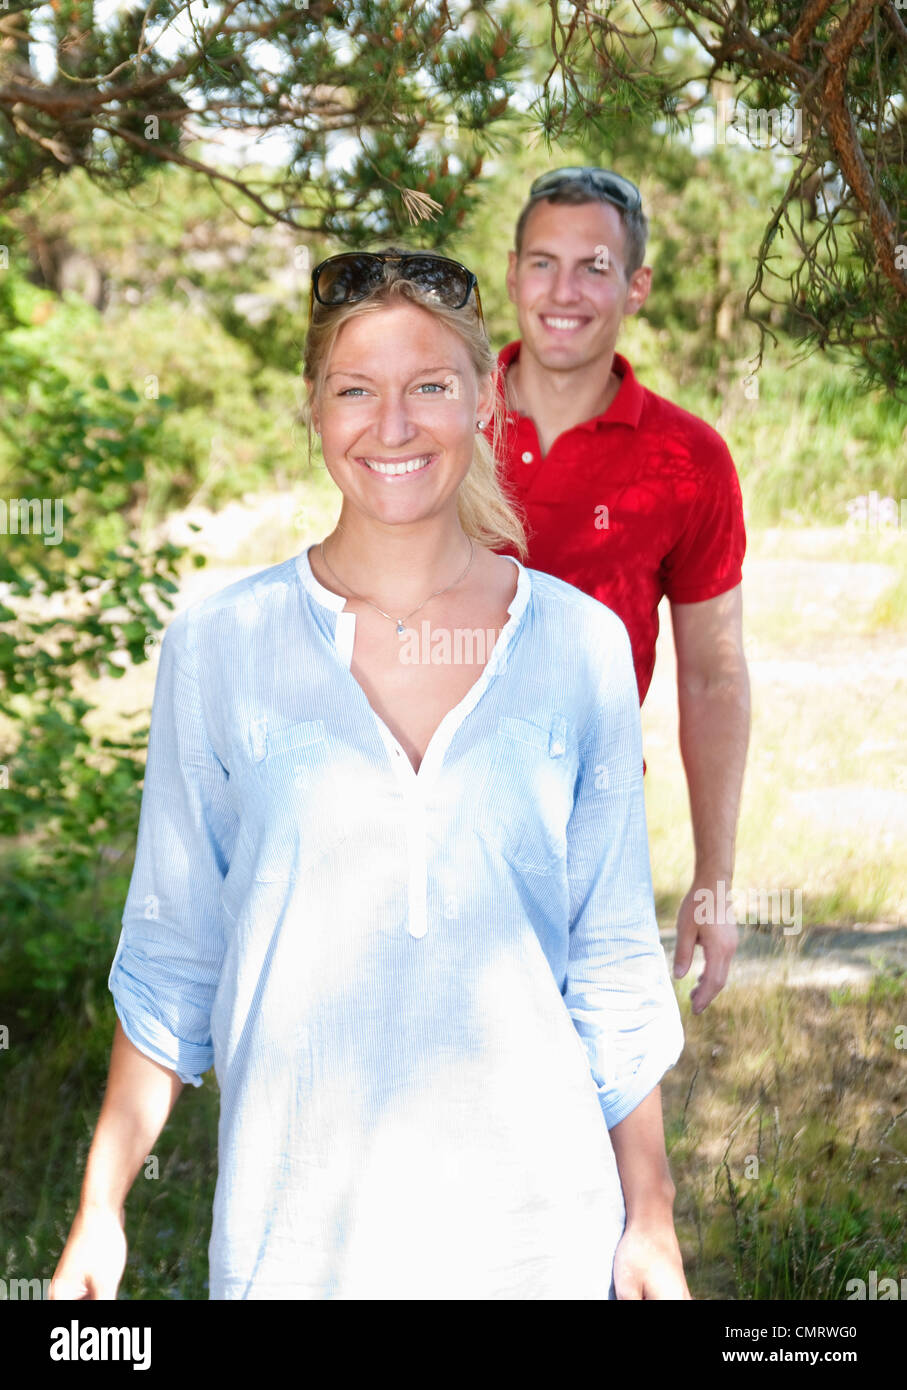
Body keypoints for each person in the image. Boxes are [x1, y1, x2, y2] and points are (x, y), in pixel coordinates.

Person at [50, 249, 689, 1301]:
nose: (392, 426)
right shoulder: (219, 647)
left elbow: (613, 960)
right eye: (356, 388)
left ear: (485, 401)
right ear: (314, 408)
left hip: (538, 1249)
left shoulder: (577, 646)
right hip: (293, 1251)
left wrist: (650, 1220)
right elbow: (170, 957)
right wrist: (99, 1212)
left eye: (429, 386)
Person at [493, 167, 751, 1015]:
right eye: (542, 263)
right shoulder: (437, 421)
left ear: (635, 286)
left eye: (593, 267)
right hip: (415, 810)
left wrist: (712, 879)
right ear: (511, 272)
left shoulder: (689, 459)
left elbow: (712, 676)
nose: (562, 292)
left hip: (589, 821)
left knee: (601, 1099)